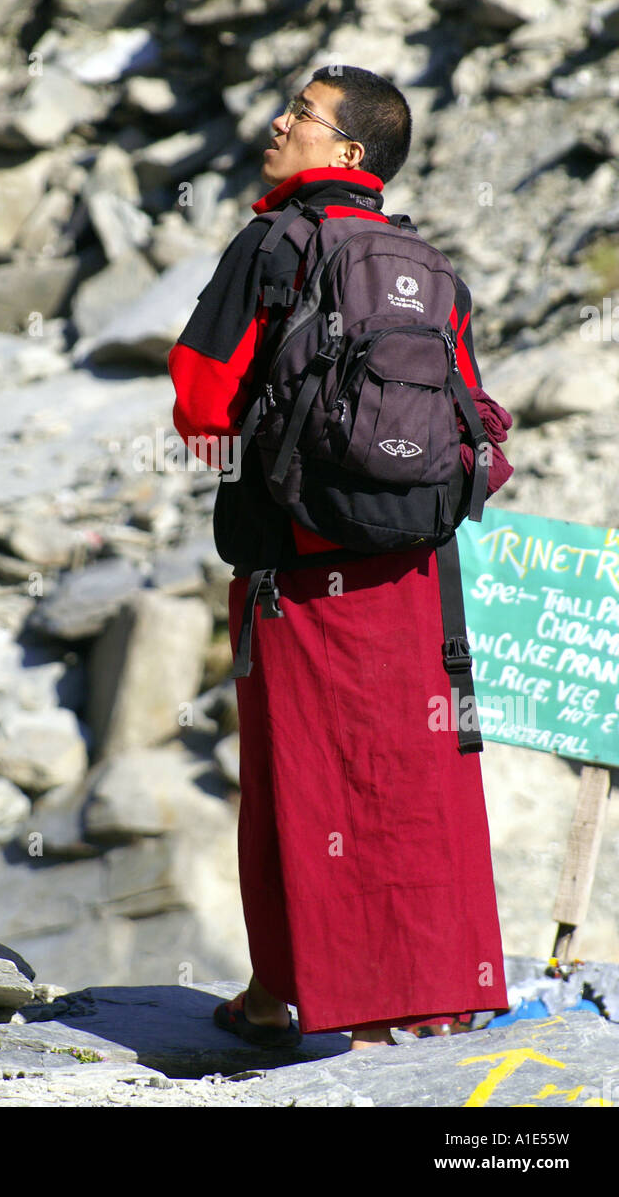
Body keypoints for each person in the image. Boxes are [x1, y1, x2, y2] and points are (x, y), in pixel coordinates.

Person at [167, 65, 514, 1051]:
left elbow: (199, 403)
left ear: (347, 152)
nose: (277, 123)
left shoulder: (274, 241)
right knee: (411, 780)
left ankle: (299, 996)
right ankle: (437, 989)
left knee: (304, 779)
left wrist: (273, 470)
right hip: (413, 573)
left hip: (299, 567)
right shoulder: (426, 265)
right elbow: (470, 413)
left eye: (301, 114)